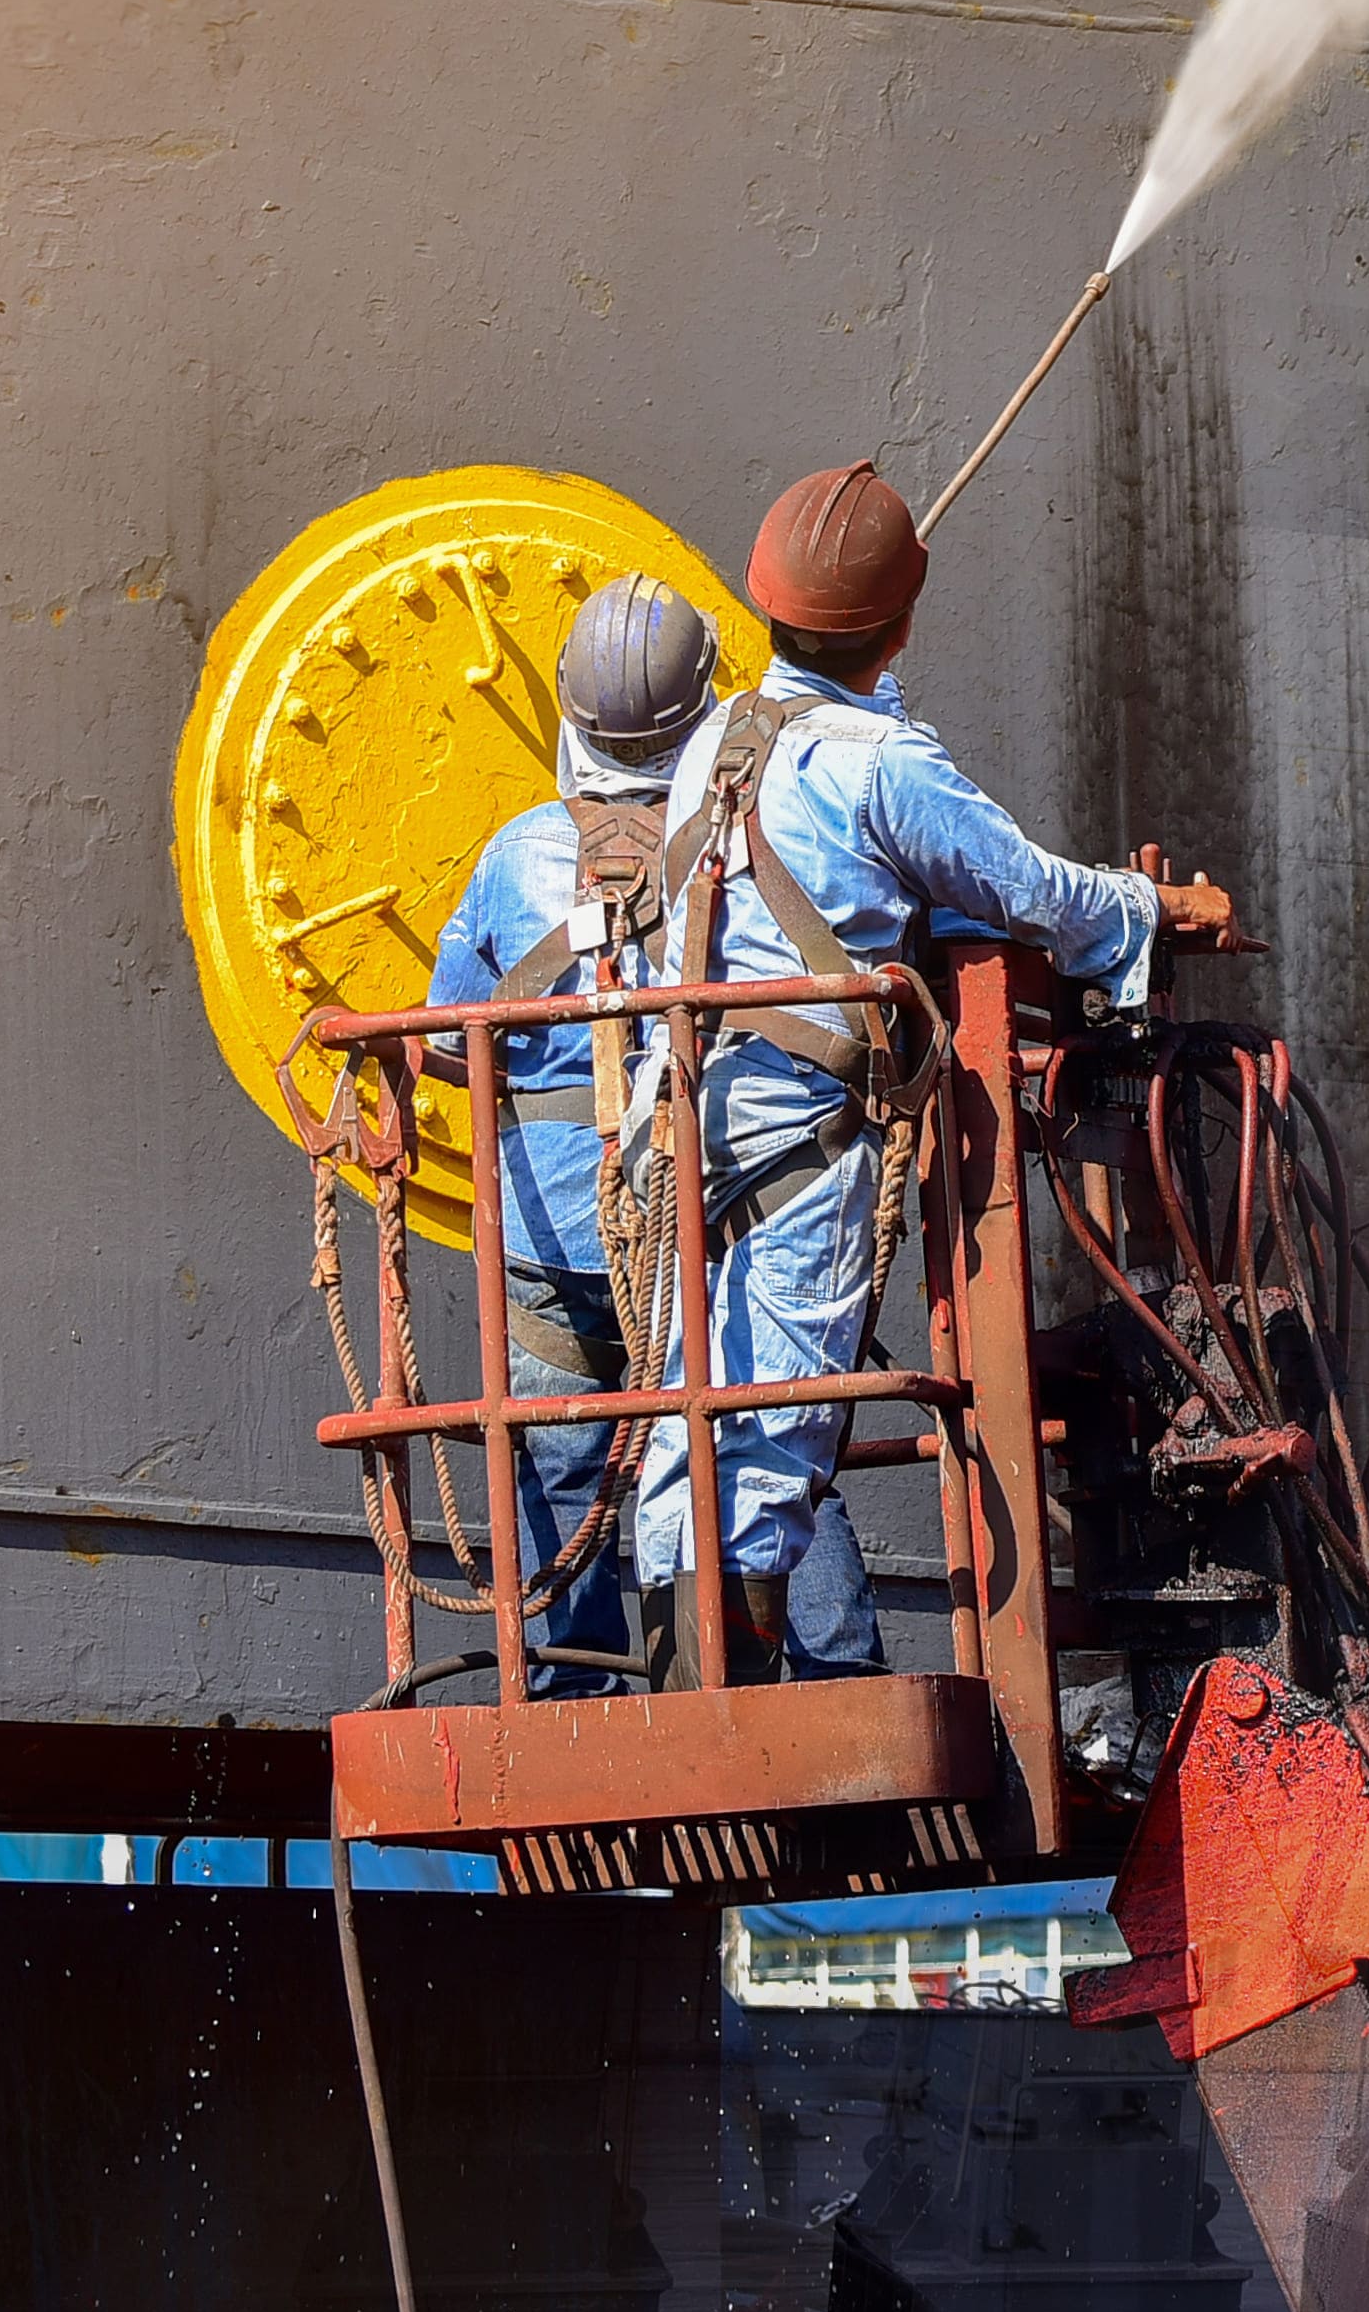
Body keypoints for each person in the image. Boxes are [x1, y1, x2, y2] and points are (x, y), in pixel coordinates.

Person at [651, 459, 1234, 1676]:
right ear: (903, 619)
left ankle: (678, 1664)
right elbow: (1027, 889)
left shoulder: (714, 740)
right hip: (807, 1131)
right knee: (783, 1403)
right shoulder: (883, 766)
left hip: (693, 1114)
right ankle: (727, 1694)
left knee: (696, 1389)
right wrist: (1155, 903)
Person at [418, 572, 724, 1692]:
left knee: (560, 1476)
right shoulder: (730, 858)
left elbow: (446, 1038)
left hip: (550, 1231)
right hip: (691, 1227)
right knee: (736, 1445)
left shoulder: (514, 857)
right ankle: (742, 1689)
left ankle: (575, 1702)